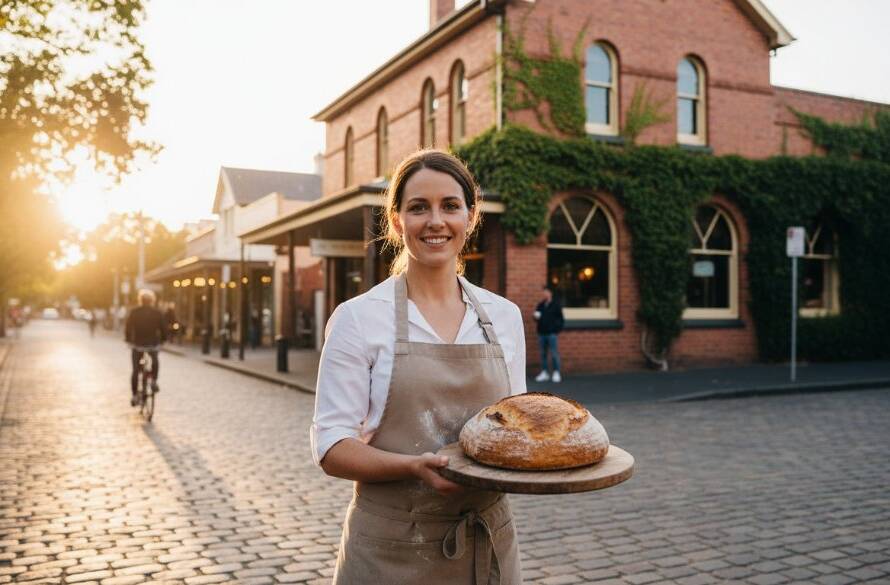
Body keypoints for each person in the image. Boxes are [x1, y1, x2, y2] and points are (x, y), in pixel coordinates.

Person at [311, 150, 527, 584]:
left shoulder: (504, 317)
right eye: (417, 207)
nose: (435, 221)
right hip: (389, 550)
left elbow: (513, 427)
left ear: (470, 217)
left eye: (450, 205)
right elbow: (332, 447)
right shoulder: (358, 318)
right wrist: (411, 467)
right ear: (395, 222)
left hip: (487, 548)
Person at [125, 289, 166, 405]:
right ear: (152, 301)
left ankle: (134, 395)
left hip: (137, 344)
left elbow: (128, 327)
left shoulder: (134, 312)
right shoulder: (157, 313)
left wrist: (128, 340)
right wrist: (163, 341)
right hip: (153, 344)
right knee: (155, 361)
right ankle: (153, 380)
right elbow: (163, 328)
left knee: (136, 370)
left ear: (140, 300)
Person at [533, 286, 564, 383]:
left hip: (551, 334)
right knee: (543, 354)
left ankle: (556, 372)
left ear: (550, 293)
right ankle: (545, 373)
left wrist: (556, 330)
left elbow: (561, 320)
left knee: (554, 353)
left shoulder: (556, 305)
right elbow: (536, 318)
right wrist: (535, 317)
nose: (544, 294)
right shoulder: (541, 305)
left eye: (546, 292)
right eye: (543, 292)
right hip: (542, 333)